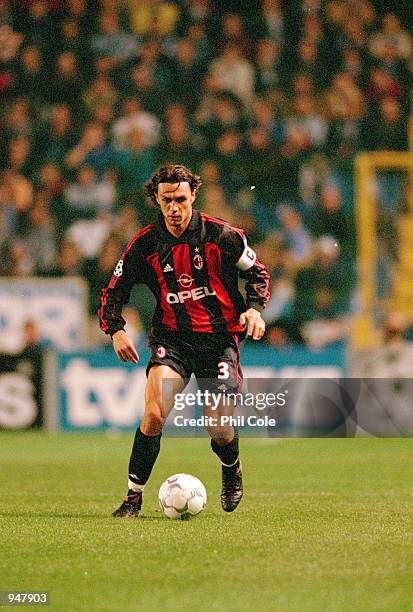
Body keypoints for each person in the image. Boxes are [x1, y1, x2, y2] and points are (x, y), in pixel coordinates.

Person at [99, 164, 270, 517]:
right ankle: (133, 497)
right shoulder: (145, 244)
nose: (174, 208)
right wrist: (115, 328)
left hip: (219, 340)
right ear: (156, 201)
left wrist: (254, 309)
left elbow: (257, 272)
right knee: (153, 413)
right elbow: (114, 290)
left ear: (193, 195)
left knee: (218, 425)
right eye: (166, 201)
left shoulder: (223, 236)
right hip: (172, 340)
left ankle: (231, 468)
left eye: (180, 199)